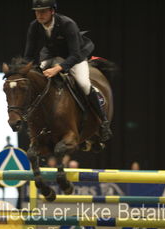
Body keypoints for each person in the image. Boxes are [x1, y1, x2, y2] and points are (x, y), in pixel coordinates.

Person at [24, 0, 112, 141]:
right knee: (36, 79)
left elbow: (75, 54)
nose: (39, 15)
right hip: (52, 56)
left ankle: (103, 121)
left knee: (83, 83)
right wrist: (25, 70)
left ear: (52, 11)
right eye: (36, 11)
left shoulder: (67, 24)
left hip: (75, 57)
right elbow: (28, 54)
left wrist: (57, 69)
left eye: (43, 11)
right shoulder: (34, 26)